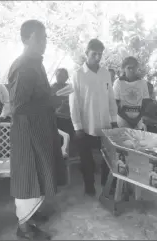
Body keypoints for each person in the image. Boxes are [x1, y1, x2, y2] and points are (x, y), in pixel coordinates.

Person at [7, 19, 66, 240]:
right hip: (27, 134)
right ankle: (24, 228)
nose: (44, 42)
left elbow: (36, 95)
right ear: (25, 39)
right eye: (39, 38)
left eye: (45, 37)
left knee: (39, 176)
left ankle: (31, 215)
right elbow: (19, 106)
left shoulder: (36, 63)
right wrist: (50, 102)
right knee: (28, 179)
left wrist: (51, 97)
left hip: (39, 130)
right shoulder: (23, 66)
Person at [69, 38, 118, 196]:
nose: (97, 57)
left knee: (107, 157)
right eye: (94, 54)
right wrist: (77, 126)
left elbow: (110, 97)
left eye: (100, 54)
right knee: (86, 159)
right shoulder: (77, 75)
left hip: (105, 124)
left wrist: (114, 119)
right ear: (86, 53)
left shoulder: (105, 73)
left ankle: (106, 183)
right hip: (86, 124)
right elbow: (74, 102)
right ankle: (89, 185)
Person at [113, 56, 150, 129]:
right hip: (122, 121)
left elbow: (145, 103)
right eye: (128, 68)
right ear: (124, 69)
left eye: (133, 67)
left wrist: (137, 119)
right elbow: (115, 105)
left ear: (137, 68)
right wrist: (129, 120)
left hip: (138, 121)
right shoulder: (118, 82)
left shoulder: (142, 83)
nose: (131, 70)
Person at [51, 68, 74, 137]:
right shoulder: (51, 88)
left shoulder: (70, 87)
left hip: (70, 118)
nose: (61, 78)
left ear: (66, 78)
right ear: (56, 76)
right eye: (59, 76)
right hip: (57, 118)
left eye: (63, 76)